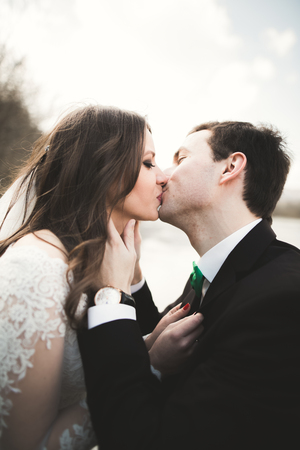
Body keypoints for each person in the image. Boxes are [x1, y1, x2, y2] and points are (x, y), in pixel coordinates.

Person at [78, 121, 300, 450]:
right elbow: (168, 340)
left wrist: (113, 295)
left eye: (181, 159)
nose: (163, 175)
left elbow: (148, 441)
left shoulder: (282, 302)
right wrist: (132, 273)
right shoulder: (230, 267)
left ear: (231, 167)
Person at [0, 104, 192, 450]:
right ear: (105, 171)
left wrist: (147, 342)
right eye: (148, 162)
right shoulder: (37, 270)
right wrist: (151, 365)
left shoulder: (90, 259)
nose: (163, 175)